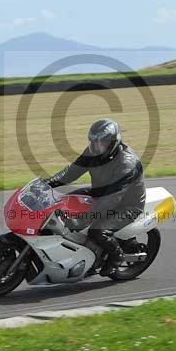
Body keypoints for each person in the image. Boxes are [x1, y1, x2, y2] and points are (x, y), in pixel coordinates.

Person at [46, 118, 146, 276]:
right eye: (94, 142)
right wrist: (46, 184)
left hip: (127, 205)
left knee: (97, 231)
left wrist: (82, 220)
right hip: (101, 193)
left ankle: (116, 257)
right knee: (64, 202)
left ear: (113, 142)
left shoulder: (127, 164)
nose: (97, 147)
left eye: (102, 143)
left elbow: (111, 199)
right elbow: (72, 171)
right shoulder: (92, 152)